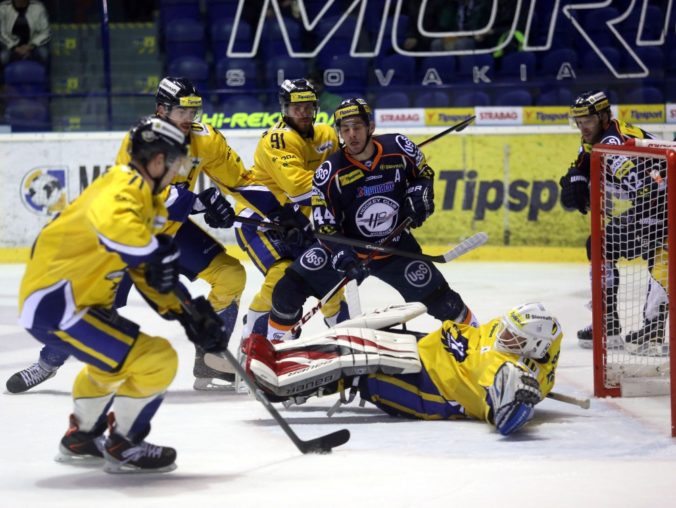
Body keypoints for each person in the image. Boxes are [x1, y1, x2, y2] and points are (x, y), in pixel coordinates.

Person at [6, 76, 264, 393]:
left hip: (173, 232)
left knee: (231, 275)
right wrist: (198, 201)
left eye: (193, 111)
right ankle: (48, 363)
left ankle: (210, 359)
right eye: (182, 111)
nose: (189, 119)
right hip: (130, 237)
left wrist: (277, 214)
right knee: (98, 309)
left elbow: (240, 182)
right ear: (161, 109)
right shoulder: (140, 139)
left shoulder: (205, 139)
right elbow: (143, 193)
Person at [18, 116, 228, 473]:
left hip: (72, 304)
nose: (180, 168)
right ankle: (125, 445)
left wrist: (188, 311)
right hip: (60, 305)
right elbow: (123, 234)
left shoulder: (148, 200)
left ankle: (82, 439)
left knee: (111, 364)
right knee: (157, 359)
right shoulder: (121, 185)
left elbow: (148, 271)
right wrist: (152, 252)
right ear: (159, 161)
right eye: (177, 161)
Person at [265, 97, 475, 340]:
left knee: (445, 302)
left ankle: (481, 347)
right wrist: (342, 254)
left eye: (357, 127)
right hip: (346, 249)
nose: (351, 135)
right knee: (286, 291)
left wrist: (421, 194)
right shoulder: (329, 172)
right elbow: (324, 224)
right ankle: (276, 351)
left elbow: (423, 174)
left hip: (394, 247)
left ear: (371, 127)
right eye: (345, 129)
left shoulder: (399, 147)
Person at [244, 301, 562, 436]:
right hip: (426, 351)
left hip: (431, 389)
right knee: (350, 336)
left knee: (356, 365)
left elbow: (504, 417)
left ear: (535, 347)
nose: (504, 336)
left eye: (514, 338)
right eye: (506, 329)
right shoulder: (512, 336)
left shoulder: (507, 369)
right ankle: (276, 354)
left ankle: (277, 385)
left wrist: (518, 407)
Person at [235, 78, 347, 341]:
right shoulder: (277, 140)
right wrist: (349, 182)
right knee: (280, 277)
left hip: (300, 223)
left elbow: (348, 167)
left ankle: (349, 341)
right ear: (284, 108)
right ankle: (252, 342)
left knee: (333, 283)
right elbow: (301, 190)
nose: (304, 112)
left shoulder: (328, 135)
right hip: (261, 219)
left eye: (309, 106)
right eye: (297, 107)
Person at [559, 90, 667, 352]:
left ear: (605, 117)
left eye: (589, 121)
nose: (583, 127)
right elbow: (581, 167)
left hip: (663, 200)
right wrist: (575, 180)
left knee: (662, 254)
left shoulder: (615, 148)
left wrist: (649, 229)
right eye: (579, 121)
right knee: (599, 244)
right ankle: (608, 324)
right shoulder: (595, 140)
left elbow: (652, 191)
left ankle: (652, 331)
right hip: (655, 201)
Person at [0, 0, 50, 66]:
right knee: (3, 57)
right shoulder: (3, 7)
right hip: (10, 46)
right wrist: (14, 47)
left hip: (33, 46)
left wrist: (31, 46)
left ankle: (40, 75)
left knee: (44, 55)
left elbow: (45, 32)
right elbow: (1, 33)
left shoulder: (38, 7)